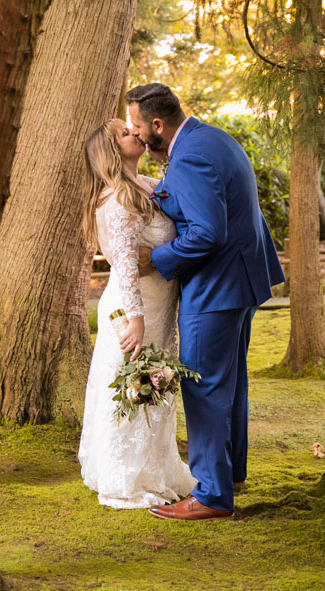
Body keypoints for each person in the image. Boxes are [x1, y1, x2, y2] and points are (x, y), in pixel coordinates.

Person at [126, 83, 286, 521]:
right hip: (242, 279)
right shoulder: (209, 137)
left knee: (203, 384)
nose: (137, 137)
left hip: (217, 287)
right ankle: (229, 474)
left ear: (158, 125)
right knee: (228, 382)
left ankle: (213, 495)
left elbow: (207, 233)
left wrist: (155, 258)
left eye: (139, 128)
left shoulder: (192, 155)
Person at [77, 118, 196, 510]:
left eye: (134, 128)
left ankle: (157, 468)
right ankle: (122, 477)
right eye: (126, 134)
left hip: (161, 305)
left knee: (155, 387)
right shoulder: (118, 198)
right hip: (134, 308)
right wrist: (136, 320)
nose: (136, 134)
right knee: (133, 386)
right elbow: (125, 265)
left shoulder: (146, 187)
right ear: (113, 150)